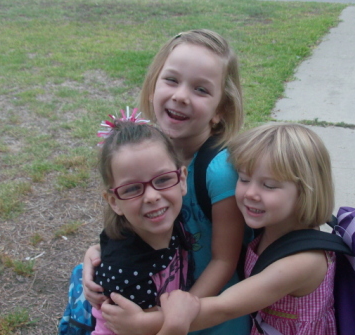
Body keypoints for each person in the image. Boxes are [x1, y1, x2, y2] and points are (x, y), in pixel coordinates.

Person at [82, 29, 252, 334]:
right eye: (171, 80)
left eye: (201, 90)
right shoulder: (143, 153)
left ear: (220, 110)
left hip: (210, 319)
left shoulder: (218, 171)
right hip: (158, 302)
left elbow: (225, 260)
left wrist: (177, 313)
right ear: (152, 87)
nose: (181, 96)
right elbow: (128, 220)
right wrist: (94, 256)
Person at [112, 123, 338, 335]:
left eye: (268, 185)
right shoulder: (270, 226)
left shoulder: (303, 261)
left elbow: (224, 308)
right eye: (244, 179)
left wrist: (143, 323)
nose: (250, 193)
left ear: (306, 192)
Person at [90, 117, 193, 335]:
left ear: (182, 179)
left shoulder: (176, 219)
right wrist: (176, 324)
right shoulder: (125, 273)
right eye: (132, 189)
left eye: (163, 180)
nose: (152, 196)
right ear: (114, 202)